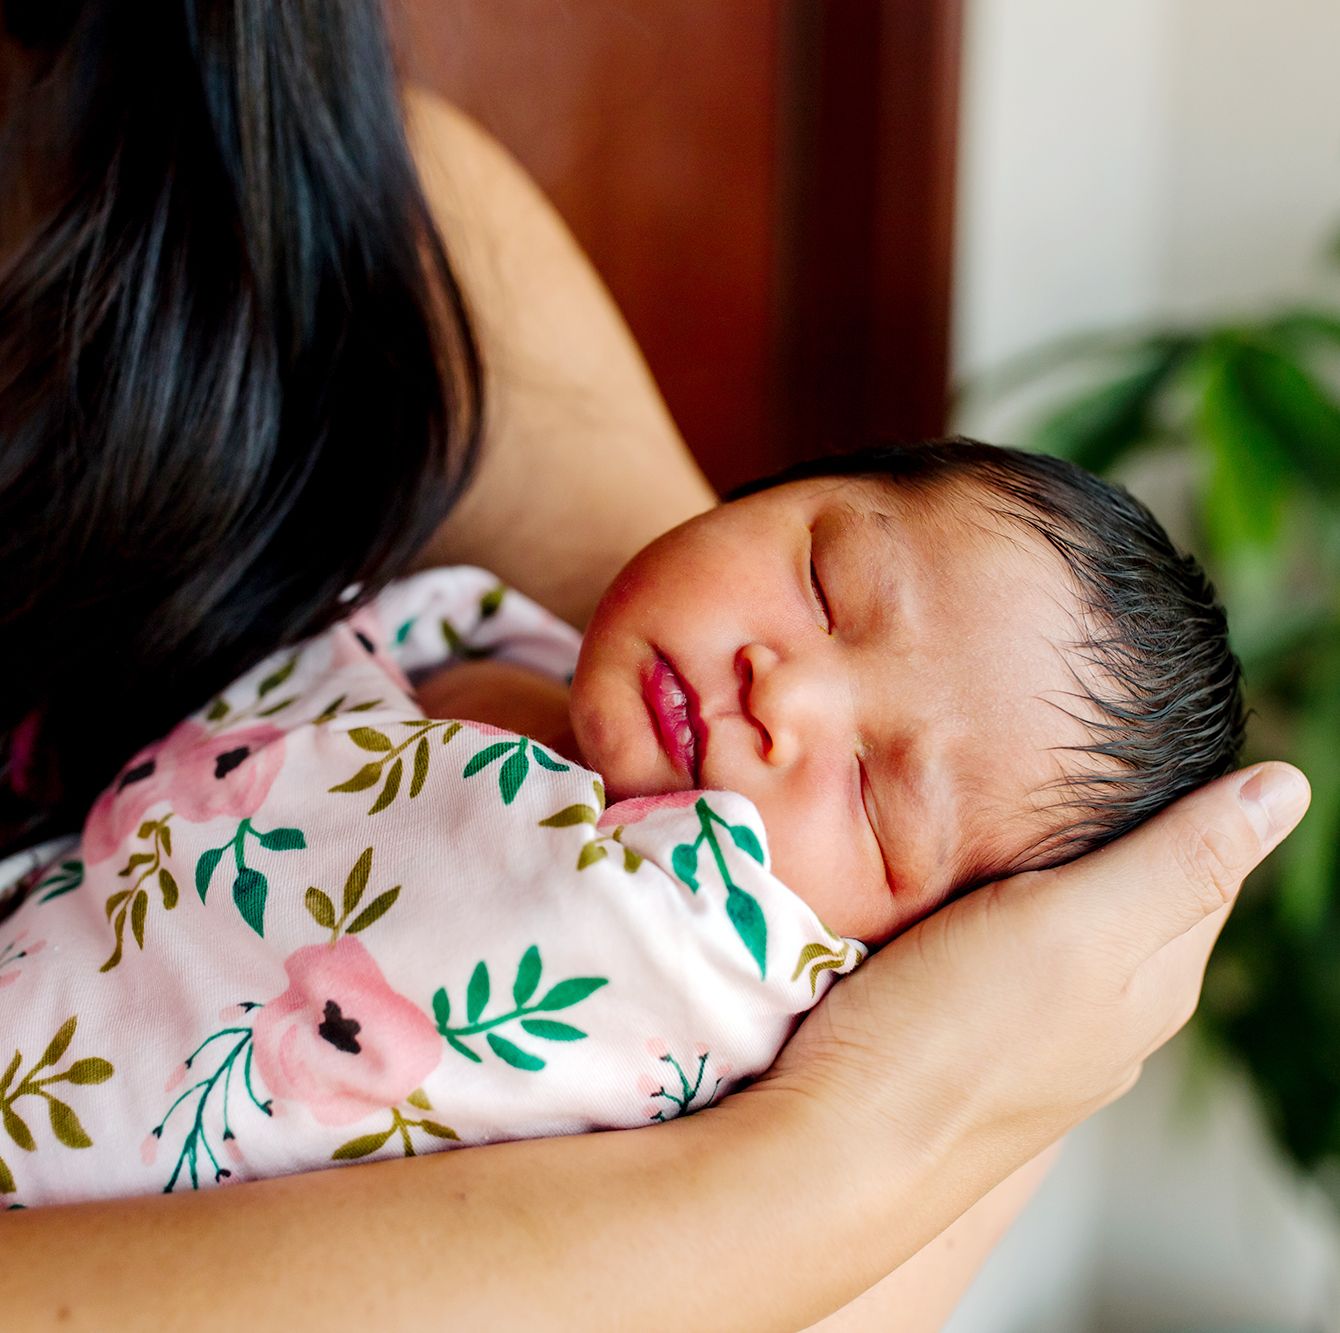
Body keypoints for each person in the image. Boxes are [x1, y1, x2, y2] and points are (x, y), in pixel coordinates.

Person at [0, 3, 1312, 1327]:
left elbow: (961, 1107)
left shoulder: (732, 980)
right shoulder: (496, 634)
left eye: (873, 793)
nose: (780, 688)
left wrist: (814, 1149)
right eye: (819, 580)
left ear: (913, 940)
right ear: (774, 481)